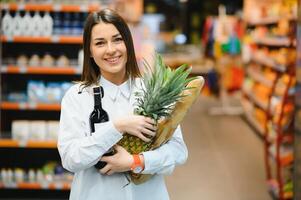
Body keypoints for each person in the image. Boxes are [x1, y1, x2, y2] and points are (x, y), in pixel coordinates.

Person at [58, 8, 188, 200]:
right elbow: (70, 159)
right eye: (100, 43)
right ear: (90, 52)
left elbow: (178, 151)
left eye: (117, 39)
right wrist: (117, 127)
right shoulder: (77, 97)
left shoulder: (152, 91)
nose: (111, 49)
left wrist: (135, 161)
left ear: (128, 43)